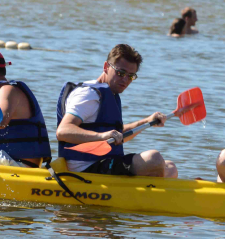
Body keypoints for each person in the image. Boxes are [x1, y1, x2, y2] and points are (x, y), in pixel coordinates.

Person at [55, 44, 178, 178]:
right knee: (154, 159)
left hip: (106, 163)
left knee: (170, 167)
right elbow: (63, 131)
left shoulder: (110, 94)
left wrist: (147, 121)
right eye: (121, 73)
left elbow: (118, 136)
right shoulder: (89, 95)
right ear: (106, 67)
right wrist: (102, 136)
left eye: (131, 76)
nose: (125, 80)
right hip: (86, 169)